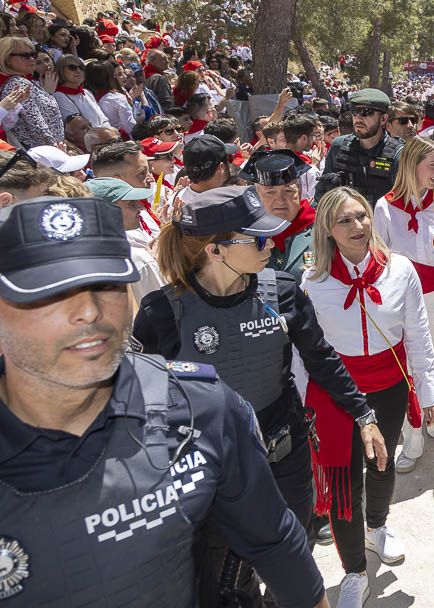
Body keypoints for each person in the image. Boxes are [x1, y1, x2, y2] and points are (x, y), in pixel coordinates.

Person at [0, 196, 332, 608]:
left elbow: (275, 543)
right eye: (48, 295)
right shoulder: (168, 316)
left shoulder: (205, 408)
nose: (88, 311)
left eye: (107, 285)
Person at [131, 186, 384, 607]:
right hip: (209, 472)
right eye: (259, 239)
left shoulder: (282, 292)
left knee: (291, 554)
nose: (272, 244)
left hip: (284, 453)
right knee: (225, 582)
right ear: (215, 250)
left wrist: (364, 415)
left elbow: (321, 359)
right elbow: (142, 403)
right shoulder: (162, 312)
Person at [301, 187, 434, 608]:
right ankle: (354, 572)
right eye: (345, 220)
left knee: (381, 464)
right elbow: (302, 351)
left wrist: (430, 389)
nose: (358, 226)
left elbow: (418, 333)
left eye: (361, 216)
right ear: (328, 228)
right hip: (335, 391)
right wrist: (298, 400)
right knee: (343, 481)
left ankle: (377, 526)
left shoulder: (401, 270)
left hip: (389, 383)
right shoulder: (312, 282)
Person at [373, 136, 434, 464]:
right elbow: (379, 261)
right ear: (412, 166)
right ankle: (412, 431)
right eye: (433, 165)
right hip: (400, 302)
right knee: (407, 367)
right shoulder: (384, 206)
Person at [315, 88, 404, 207]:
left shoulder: (399, 154)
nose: (358, 118)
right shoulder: (339, 146)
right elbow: (322, 199)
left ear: (383, 119)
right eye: (354, 111)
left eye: (366, 112)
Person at [85, 176, 166, 302]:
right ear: (106, 212)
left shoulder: (85, 256)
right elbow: (167, 309)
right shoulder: (138, 260)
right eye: (131, 203)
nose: (141, 207)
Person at [242, 149, 316, 279]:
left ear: (300, 191)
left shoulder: (323, 230)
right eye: (270, 193)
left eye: (288, 191)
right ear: (257, 196)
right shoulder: (245, 234)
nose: (280, 200)